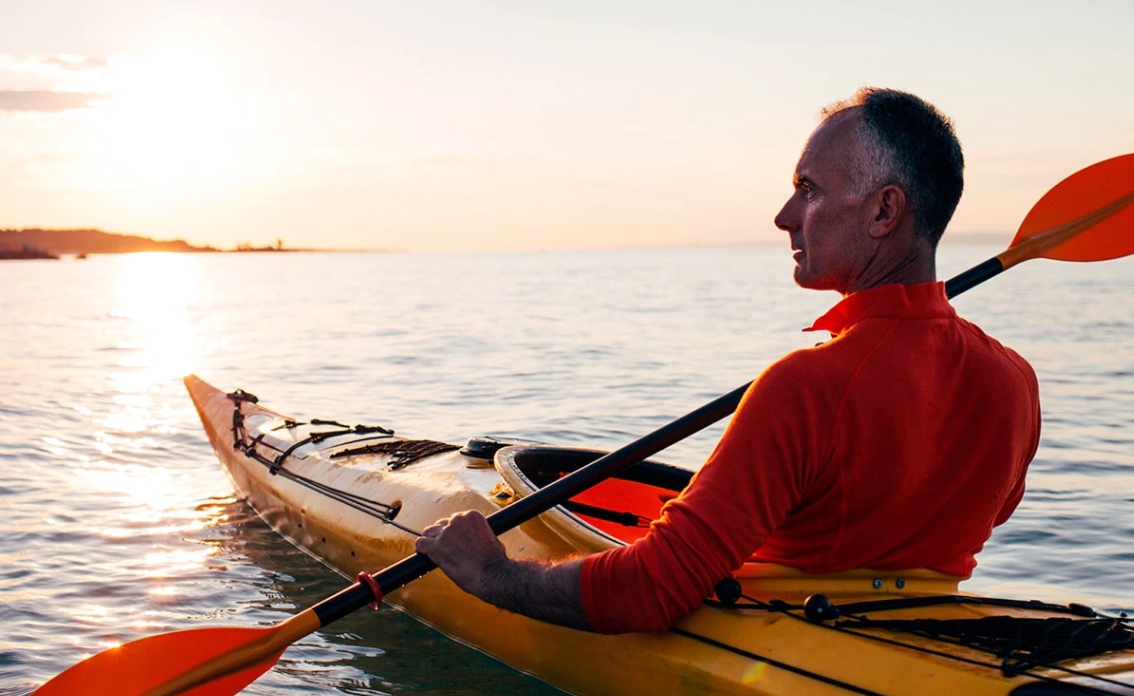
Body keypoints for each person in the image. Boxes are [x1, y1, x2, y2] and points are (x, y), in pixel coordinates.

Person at [413, 88, 1041, 634]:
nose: (783, 216)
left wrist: (490, 573)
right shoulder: (1014, 381)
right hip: (926, 639)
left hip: (791, 645)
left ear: (884, 211)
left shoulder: (804, 387)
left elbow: (649, 591)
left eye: (808, 190)